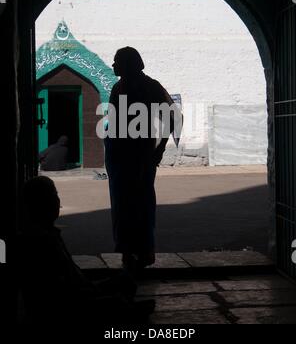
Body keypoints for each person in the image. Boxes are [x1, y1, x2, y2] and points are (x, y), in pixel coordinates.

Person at [18, 176, 155, 327]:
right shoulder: (42, 241)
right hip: (67, 306)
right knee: (116, 301)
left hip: (80, 291)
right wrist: (93, 292)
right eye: (54, 196)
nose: (58, 201)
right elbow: (61, 292)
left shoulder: (48, 233)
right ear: (43, 204)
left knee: (124, 282)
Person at [105, 47, 183, 272]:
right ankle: (130, 252)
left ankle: (141, 252)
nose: (113, 65)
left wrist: (158, 151)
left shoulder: (148, 87)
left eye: (116, 61)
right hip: (122, 156)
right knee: (124, 205)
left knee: (138, 203)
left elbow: (173, 116)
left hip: (138, 156)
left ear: (128, 63)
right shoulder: (119, 88)